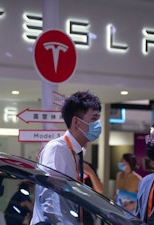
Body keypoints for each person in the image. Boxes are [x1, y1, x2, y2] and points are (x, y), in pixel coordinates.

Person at [30, 90, 102, 225]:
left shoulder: (75, 152)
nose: (98, 124)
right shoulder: (58, 150)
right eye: (94, 119)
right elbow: (51, 199)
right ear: (76, 121)